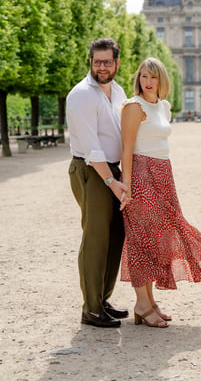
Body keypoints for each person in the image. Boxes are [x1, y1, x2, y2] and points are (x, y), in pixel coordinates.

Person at [120, 57, 201, 328]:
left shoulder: (164, 107)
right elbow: (127, 150)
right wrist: (127, 188)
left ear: (161, 80)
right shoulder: (134, 107)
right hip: (142, 174)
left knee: (160, 238)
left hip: (163, 173)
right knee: (141, 239)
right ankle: (142, 303)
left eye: (153, 77)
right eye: (143, 76)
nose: (147, 82)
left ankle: (149, 302)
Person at [66, 38, 131, 328]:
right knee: (96, 238)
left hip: (113, 171)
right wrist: (110, 180)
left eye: (107, 61)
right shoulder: (81, 95)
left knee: (117, 235)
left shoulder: (118, 92)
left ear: (117, 63)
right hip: (92, 171)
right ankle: (91, 309)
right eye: (97, 61)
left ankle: (103, 299)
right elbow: (92, 149)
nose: (101, 67)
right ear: (90, 62)